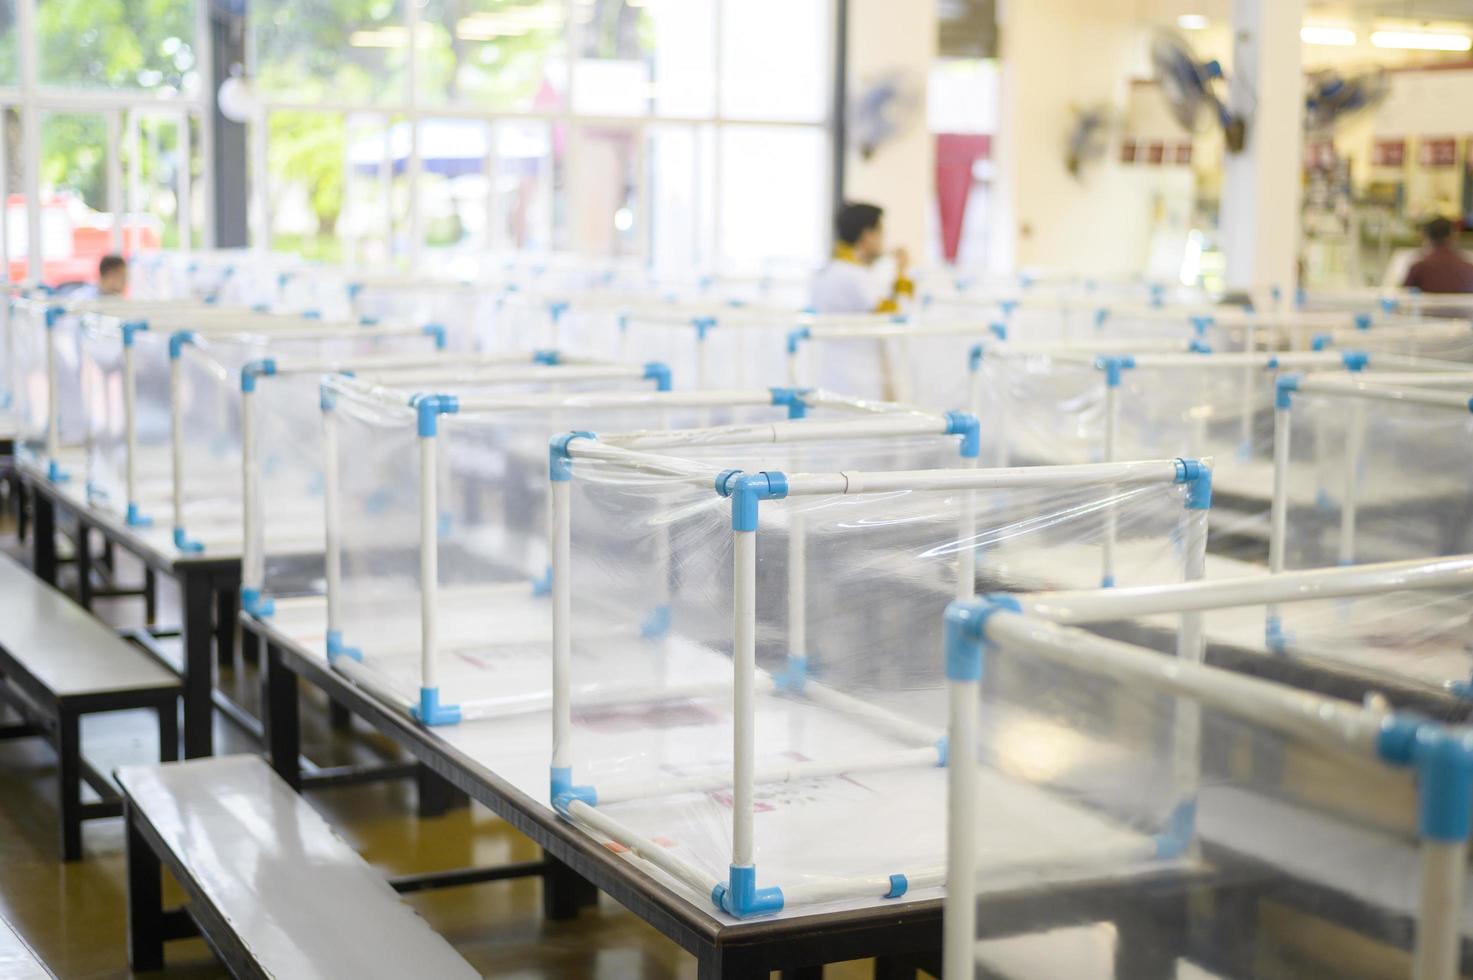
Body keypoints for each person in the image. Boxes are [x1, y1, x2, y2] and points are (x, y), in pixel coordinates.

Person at [809, 202, 914, 314]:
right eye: (881, 232)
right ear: (867, 235)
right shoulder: (856, 275)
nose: (883, 240)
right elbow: (898, 315)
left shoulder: (828, 270)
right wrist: (902, 272)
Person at [1403, 217, 1473, 294]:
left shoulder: (1418, 268)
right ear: (1454, 236)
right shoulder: (1468, 268)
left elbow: (1404, 296)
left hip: (1425, 306)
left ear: (1425, 236)